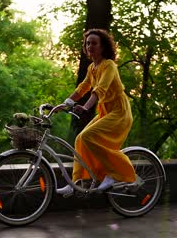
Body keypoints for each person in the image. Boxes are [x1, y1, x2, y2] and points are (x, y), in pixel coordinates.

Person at [57, 29, 136, 196]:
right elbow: (83, 87)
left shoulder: (109, 65)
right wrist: (65, 104)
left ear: (102, 47)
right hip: (106, 112)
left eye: (94, 43)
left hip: (119, 112)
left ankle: (114, 174)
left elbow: (100, 89)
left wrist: (86, 107)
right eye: (87, 43)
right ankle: (76, 182)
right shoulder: (92, 67)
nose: (90, 46)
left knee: (88, 137)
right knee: (80, 139)